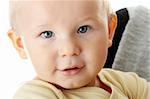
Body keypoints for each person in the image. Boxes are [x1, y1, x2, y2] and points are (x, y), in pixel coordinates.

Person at [8, 0, 150, 98]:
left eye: (83, 29)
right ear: (20, 44)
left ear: (109, 31)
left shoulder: (121, 82)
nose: (69, 49)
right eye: (47, 34)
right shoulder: (35, 95)